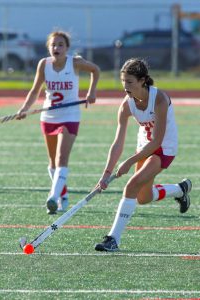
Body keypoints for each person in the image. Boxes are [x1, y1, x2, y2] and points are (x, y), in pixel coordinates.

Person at [95, 58, 192, 252]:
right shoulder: (126, 105)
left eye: (130, 82)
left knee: (131, 185)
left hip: (164, 148)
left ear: (143, 81)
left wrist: (129, 162)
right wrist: (106, 173)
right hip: (144, 147)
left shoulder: (160, 100)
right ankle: (180, 190)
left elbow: (157, 142)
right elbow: (118, 142)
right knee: (143, 198)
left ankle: (113, 239)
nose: (125, 87)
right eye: (123, 82)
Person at [16, 30, 100, 214]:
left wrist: (91, 92)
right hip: (49, 116)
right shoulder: (43, 64)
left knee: (62, 158)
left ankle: (52, 197)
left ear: (67, 48)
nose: (56, 48)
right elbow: (35, 90)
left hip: (70, 115)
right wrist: (24, 109)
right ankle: (63, 196)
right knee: (53, 162)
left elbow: (95, 70)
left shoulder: (75, 63)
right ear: (49, 47)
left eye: (60, 44)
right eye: (53, 45)